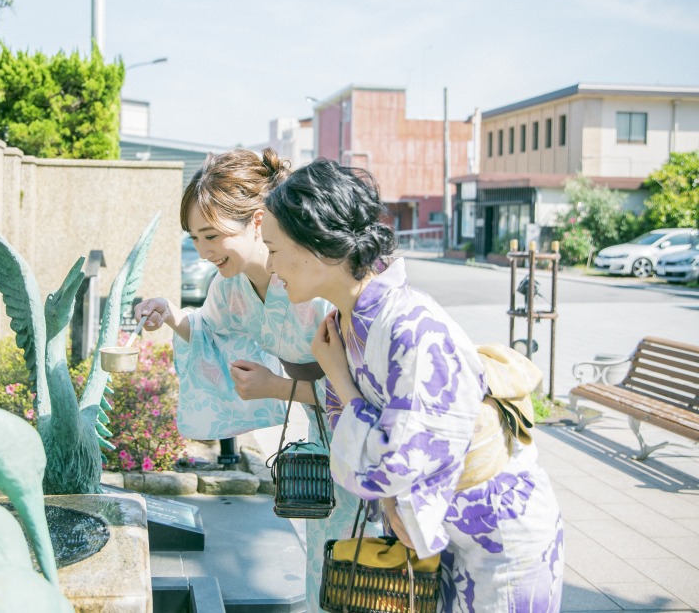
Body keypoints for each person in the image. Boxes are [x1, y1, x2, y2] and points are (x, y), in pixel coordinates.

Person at [262, 159, 565, 612]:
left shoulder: (412, 326)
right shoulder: (350, 319)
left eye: (273, 248)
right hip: (448, 527)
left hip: (499, 531)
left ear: (316, 244)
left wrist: (341, 380)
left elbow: (393, 465)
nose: (269, 265)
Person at [134, 147, 360, 613]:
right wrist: (170, 314)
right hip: (324, 436)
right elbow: (212, 334)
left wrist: (277, 387)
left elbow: (360, 391)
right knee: (326, 561)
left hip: (362, 436)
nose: (204, 252)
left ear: (258, 221)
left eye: (212, 235)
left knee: (361, 565)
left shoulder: (311, 280)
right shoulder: (233, 285)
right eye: (195, 239)